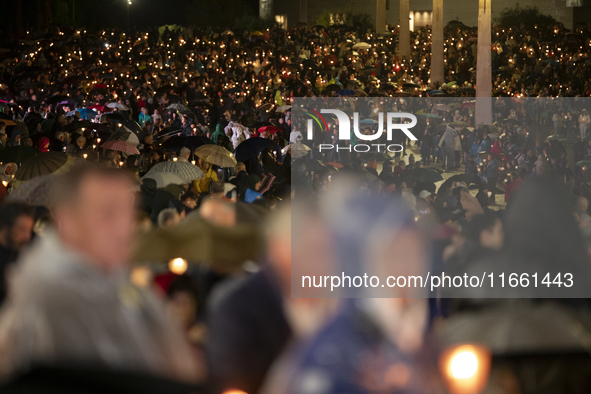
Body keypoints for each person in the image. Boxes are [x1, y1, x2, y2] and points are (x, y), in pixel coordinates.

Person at [0, 166, 202, 382]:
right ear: (68, 219)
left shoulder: (118, 277)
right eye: (108, 213)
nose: (123, 228)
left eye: (127, 212)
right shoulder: (50, 293)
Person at [0, 203, 34, 306]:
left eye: (29, 230)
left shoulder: (23, 252)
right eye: (21, 229)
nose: (27, 237)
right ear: (6, 227)